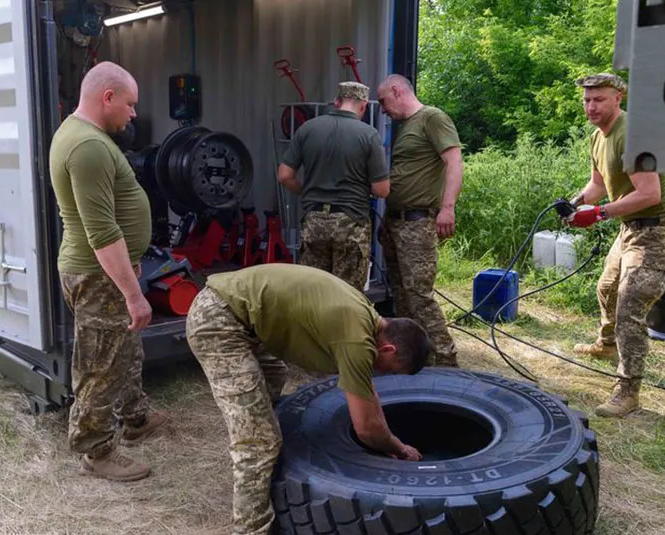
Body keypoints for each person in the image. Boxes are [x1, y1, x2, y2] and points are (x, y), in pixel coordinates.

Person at [185, 263, 431, 535]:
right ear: (388, 348)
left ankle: (260, 458)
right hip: (218, 320)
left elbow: (366, 390)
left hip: (238, 311)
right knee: (259, 441)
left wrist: (384, 434)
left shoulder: (367, 317)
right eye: (386, 368)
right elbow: (366, 428)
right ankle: (250, 529)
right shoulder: (357, 341)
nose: (379, 371)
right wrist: (397, 446)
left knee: (274, 375)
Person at [49, 61, 169, 481]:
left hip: (106, 272)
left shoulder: (87, 136)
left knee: (125, 349)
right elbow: (101, 232)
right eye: (130, 105)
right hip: (97, 275)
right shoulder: (88, 148)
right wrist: (133, 293)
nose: (134, 114)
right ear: (108, 97)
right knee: (101, 364)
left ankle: (135, 417)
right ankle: (96, 450)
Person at [566, 73, 665, 418]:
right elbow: (597, 185)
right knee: (607, 288)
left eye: (599, 99)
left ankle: (628, 390)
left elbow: (650, 194)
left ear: (618, 98)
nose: (591, 106)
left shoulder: (632, 134)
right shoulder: (598, 137)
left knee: (630, 307)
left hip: (655, 231)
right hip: (629, 229)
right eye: (587, 100)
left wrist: (598, 214)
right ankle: (606, 345)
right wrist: (574, 204)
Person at [375, 74, 463, 367]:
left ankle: (446, 360)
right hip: (396, 222)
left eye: (384, 101)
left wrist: (447, 208)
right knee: (401, 296)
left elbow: (453, 161)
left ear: (397, 91)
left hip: (417, 223)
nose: (383, 109)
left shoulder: (432, 118)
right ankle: (415, 358)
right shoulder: (407, 126)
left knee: (419, 296)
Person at [278, 81, 390, 290]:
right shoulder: (369, 135)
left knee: (313, 292)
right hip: (351, 223)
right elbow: (381, 190)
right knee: (347, 296)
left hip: (314, 222)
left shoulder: (307, 129)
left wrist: (307, 190)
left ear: (336, 102)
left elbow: (284, 175)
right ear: (364, 106)